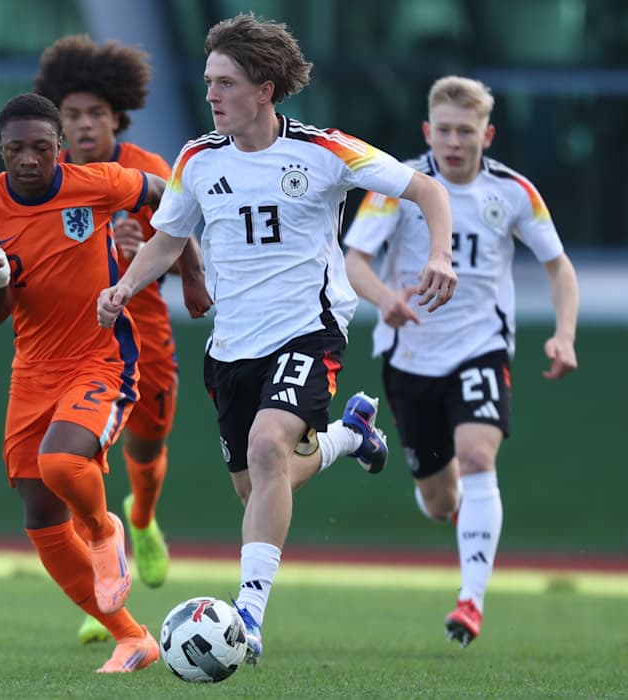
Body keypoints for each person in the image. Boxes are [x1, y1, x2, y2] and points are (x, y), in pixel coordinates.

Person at [96, 13, 458, 664]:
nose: (212, 94)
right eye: (208, 81)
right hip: (232, 347)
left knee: (268, 449)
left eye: (225, 83)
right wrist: (124, 286)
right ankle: (349, 437)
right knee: (261, 483)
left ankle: (249, 619)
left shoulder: (324, 150)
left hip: (309, 331)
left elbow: (427, 189)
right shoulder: (196, 160)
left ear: (264, 90)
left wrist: (440, 255)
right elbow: (169, 240)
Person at [343, 76, 580, 648]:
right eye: (444, 130)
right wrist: (385, 299)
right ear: (428, 131)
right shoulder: (397, 185)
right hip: (410, 356)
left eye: (465, 132)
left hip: (480, 348)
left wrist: (564, 334)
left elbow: (559, 266)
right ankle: (462, 515)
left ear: (486, 135)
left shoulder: (514, 193)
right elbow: (355, 259)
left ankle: (471, 600)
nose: (454, 142)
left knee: (477, 456)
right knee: (440, 500)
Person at [0, 93, 167, 673]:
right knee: (41, 520)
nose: (29, 159)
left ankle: (103, 531)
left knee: (62, 462)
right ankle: (133, 639)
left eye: (41, 147)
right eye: (16, 149)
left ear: (61, 147)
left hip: (101, 356)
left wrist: (187, 266)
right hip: (33, 369)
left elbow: (165, 194)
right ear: (0, 149)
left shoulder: (98, 183)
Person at [32, 35, 213, 645]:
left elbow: (178, 236)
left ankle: (142, 518)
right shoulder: (48, 177)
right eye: (72, 114)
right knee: (77, 458)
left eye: (95, 113)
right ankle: (104, 587)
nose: (84, 125)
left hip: (144, 332)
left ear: (117, 117)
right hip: (76, 340)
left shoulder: (145, 168)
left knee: (148, 442)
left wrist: (169, 267)